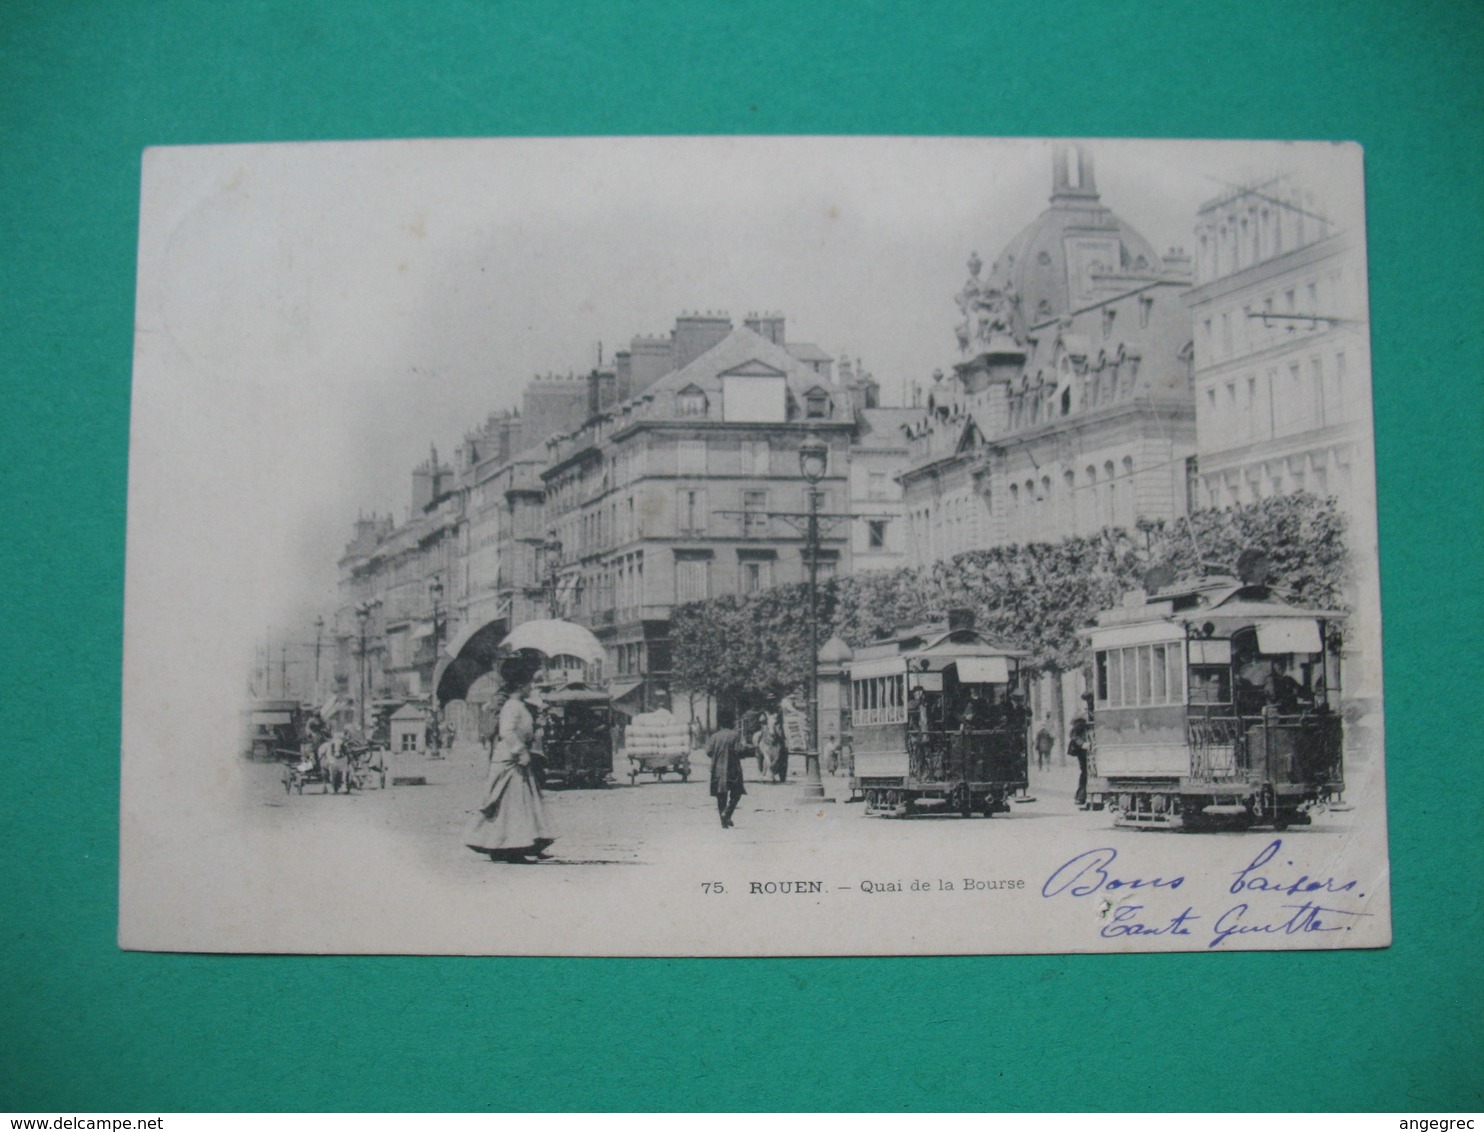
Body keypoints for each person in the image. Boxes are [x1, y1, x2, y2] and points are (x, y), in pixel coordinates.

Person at [464, 653, 554, 863]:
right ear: (521, 686)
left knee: (510, 806)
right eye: (529, 684)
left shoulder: (520, 705)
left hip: (515, 759)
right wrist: (520, 751)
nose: (531, 687)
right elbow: (506, 731)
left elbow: (523, 729)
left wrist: (538, 723)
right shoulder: (512, 706)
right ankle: (513, 848)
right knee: (513, 807)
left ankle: (504, 846)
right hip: (511, 760)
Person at [706, 714, 747, 828]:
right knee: (737, 793)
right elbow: (739, 750)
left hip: (717, 769)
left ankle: (723, 820)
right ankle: (727, 813)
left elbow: (708, 751)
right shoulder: (735, 735)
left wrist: (717, 756)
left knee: (721, 795)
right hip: (732, 769)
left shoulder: (714, 737)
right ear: (732, 724)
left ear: (720, 725)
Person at [1068, 713, 1091, 809]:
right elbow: (1074, 735)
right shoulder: (1081, 723)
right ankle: (1080, 797)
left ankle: (1081, 797)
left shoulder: (1082, 721)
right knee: (1085, 772)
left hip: (1083, 751)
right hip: (1083, 751)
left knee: (1085, 773)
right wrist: (1082, 744)